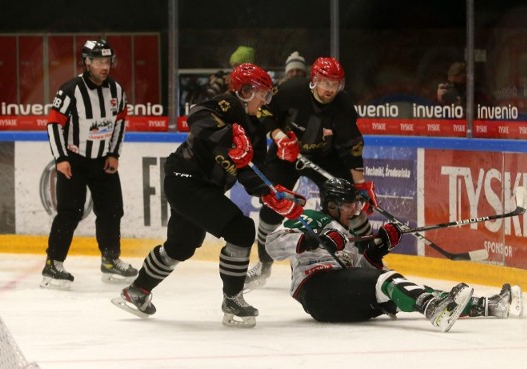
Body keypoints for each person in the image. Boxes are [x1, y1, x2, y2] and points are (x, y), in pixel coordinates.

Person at [111, 63, 304, 328]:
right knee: (242, 230)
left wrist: (271, 193)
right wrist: (228, 135)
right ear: (245, 90)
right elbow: (196, 116)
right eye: (262, 94)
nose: (264, 101)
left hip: (198, 187)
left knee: (181, 246)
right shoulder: (227, 104)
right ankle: (233, 298)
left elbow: (250, 171)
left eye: (268, 96)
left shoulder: (257, 129)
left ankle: (136, 292)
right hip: (185, 180)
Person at [265, 178, 524, 332]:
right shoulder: (312, 218)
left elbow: (360, 270)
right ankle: (434, 311)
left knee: (394, 284)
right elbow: (271, 245)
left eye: (356, 205)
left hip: (340, 294)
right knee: (387, 281)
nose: (354, 211)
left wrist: (379, 248)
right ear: (331, 205)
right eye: (348, 206)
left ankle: (489, 305)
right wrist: (312, 239)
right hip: (317, 291)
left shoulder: (345, 232)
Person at [245, 56, 378, 289]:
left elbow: (351, 148)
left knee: (348, 204)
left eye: (335, 84)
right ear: (314, 80)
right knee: (272, 207)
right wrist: (279, 137)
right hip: (286, 156)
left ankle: (370, 260)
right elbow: (265, 112)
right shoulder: (290, 90)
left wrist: (359, 185)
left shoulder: (344, 105)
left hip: (326, 158)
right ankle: (264, 264)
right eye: (326, 83)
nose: (331, 89)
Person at [41, 39, 137, 290]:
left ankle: (110, 260)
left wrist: (114, 153)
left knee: (112, 209)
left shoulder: (116, 90)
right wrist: (61, 158)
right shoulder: (70, 90)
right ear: (87, 62)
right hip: (74, 161)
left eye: (107, 62)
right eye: (98, 62)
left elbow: (120, 123)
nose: (104, 67)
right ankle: (53, 264)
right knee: (69, 213)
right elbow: (53, 124)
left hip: (103, 161)